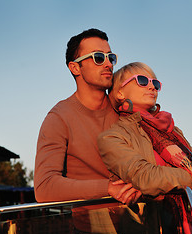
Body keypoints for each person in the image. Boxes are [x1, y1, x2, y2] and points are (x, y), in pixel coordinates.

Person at [98, 62, 192, 234]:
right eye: (141, 80)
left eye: (155, 83)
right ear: (120, 93)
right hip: (151, 231)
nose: (151, 86)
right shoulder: (112, 137)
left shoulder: (172, 130)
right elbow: (146, 177)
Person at [34, 29, 141, 204]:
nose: (108, 64)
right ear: (75, 67)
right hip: (93, 227)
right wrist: (108, 188)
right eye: (98, 57)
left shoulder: (124, 110)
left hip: (145, 220)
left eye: (110, 57)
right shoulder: (59, 118)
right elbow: (44, 187)